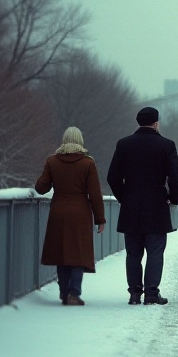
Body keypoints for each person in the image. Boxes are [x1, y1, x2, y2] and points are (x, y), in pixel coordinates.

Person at [107, 106, 178, 306]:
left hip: (131, 206)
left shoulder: (124, 144)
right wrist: (173, 199)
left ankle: (134, 293)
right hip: (157, 206)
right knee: (155, 251)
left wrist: (125, 197)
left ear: (138, 122)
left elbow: (113, 178)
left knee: (133, 253)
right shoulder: (166, 145)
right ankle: (151, 293)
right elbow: (177, 179)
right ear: (156, 123)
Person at [35, 127, 107, 306]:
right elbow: (95, 194)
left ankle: (63, 292)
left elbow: (40, 188)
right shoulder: (88, 163)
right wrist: (100, 219)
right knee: (78, 253)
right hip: (80, 213)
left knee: (62, 252)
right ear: (80, 140)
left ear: (64, 140)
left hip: (58, 211)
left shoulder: (52, 161)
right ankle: (74, 293)